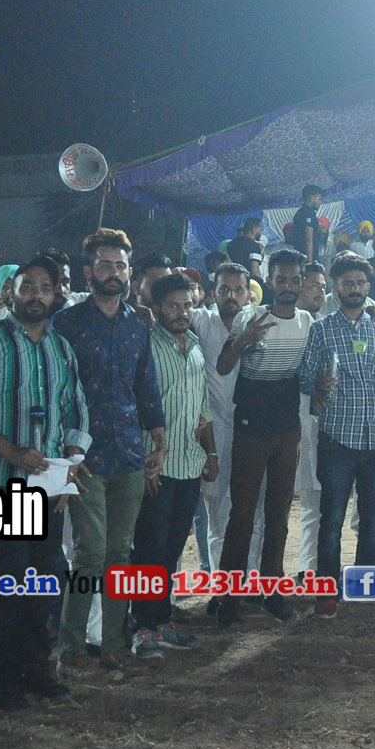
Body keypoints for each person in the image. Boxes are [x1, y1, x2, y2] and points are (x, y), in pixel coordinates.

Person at [0, 256, 89, 713]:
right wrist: (9, 451)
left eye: (45, 288)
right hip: (2, 483)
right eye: (27, 286)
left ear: (56, 295)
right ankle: (5, 680)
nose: (36, 295)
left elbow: (75, 409)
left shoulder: (61, 348)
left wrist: (70, 465)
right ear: (11, 291)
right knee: (11, 581)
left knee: (44, 579)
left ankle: (37, 670)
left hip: (49, 488)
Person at [51, 228, 168, 669]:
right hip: (84, 458)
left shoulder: (138, 325)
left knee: (121, 555)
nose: (113, 272)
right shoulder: (66, 324)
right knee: (89, 555)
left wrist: (159, 438)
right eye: (104, 264)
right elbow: (58, 391)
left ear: (130, 272)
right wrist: (65, 455)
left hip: (130, 455)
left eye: (120, 265)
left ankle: (114, 641)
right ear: (88, 271)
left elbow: (146, 385)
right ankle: (71, 648)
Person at [301, 252, 375, 615]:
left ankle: (366, 586)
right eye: (348, 283)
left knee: (373, 519)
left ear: (368, 286)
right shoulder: (321, 329)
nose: (355, 289)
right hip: (337, 439)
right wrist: (318, 383)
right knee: (331, 519)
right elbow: (303, 377)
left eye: (361, 283)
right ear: (336, 287)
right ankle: (327, 592)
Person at [213, 248, 313, 624]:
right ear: (269, 281)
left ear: (301, 283)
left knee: (279, 513)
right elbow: (223, 367)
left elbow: (306, 374)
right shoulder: (249, 316)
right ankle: (228, 599)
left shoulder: (307, 321)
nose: (288, 286)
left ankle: (273, 592)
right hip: (251, 429)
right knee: (241, 514)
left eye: (294, 279)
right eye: (281, 279)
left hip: (287, 430)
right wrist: (242, 341)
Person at [128, 273, 214, 658]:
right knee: (149, 549)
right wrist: (143, 459)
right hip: (156, 466)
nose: (182, 312)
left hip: (189, 464)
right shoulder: (145, 344)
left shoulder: (194, 346)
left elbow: (202, 409)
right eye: (173, 306)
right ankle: (141, 628)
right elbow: (133, 404)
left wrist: (210, 454)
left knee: (172, 548)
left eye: (187, 305)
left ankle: (160, 622)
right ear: (158, 307)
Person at [194, 263, 254, 578]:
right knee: (216, 514)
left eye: (237, 289)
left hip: (254, 431)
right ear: (213, 293)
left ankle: (252, 581)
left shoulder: (259, 322)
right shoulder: (201, 321)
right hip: (214, 432)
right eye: (224, 289)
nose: (231, 295)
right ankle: (221, 584)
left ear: (248, 293)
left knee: (254, 511)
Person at [291, 263, 329, 580]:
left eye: (323, 287)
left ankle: (308, 567)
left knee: (314, 499)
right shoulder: (285, 321)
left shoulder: (323, 324)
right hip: (283, 424)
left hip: (315, 424)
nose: (321, 291)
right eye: (315, 285)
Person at [290, 184, 327, 263]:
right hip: (308, 258)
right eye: (319, 199)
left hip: (299, 257)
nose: (320, 202)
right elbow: (308, 238)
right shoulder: (308, 213)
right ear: (311, 198)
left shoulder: (300, 212)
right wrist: (310, 262)